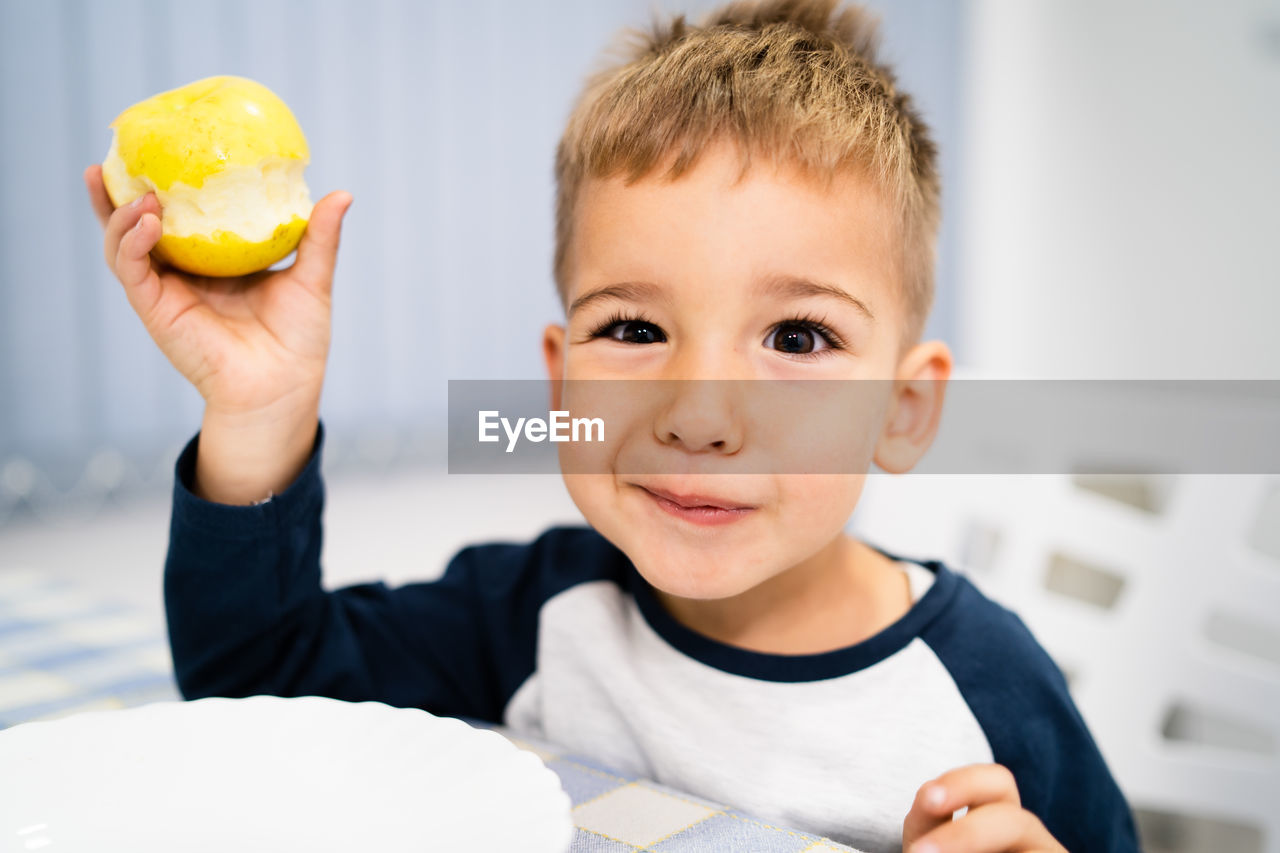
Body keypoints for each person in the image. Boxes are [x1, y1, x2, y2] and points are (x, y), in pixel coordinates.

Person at [85, 1, 1139, 850]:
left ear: (902, 411)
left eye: (798, 338)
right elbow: (256, 685)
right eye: (633, 327)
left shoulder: (987, 689)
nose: (695, 415)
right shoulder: (537, 609)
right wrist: (257, 411)